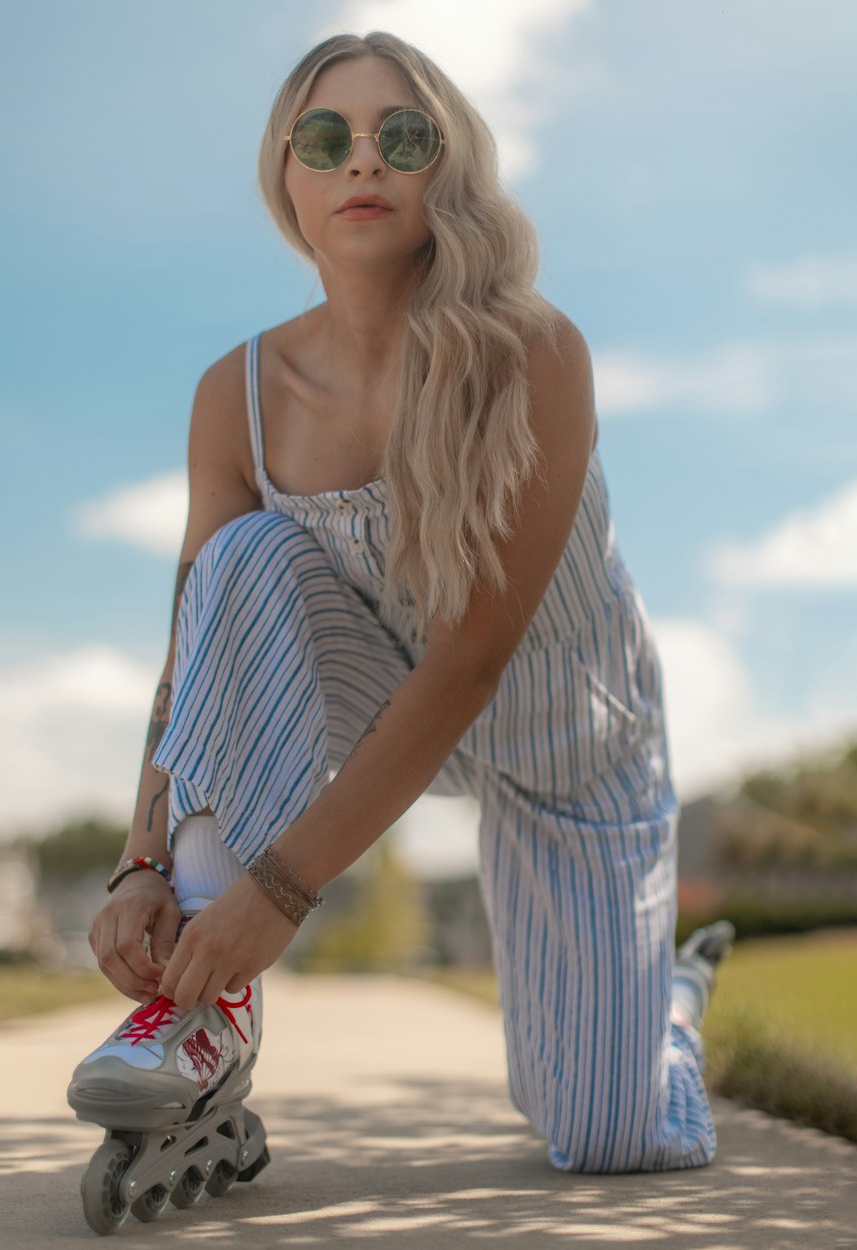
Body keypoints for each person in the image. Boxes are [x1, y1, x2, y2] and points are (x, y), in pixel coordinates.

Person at [72, 29, 736, 1180]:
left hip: (568, 740)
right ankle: (204, 1016)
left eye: (402, 136)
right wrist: (143, 863)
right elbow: (198, 641)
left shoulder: (531, 352)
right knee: (241, 561)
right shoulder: (237, 395)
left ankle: (662, 1012)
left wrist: (283, 889)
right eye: (324, 140)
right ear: (287, 177)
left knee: (608, 1135)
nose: (361, 163)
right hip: (372, 695)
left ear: (447, 166)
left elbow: (474, 658)